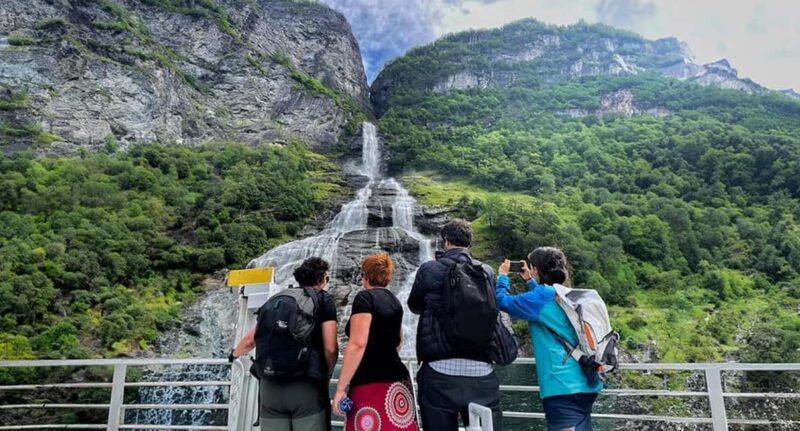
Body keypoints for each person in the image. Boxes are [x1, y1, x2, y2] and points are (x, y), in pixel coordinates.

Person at [408, 219, 504, 430]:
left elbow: (414, 305)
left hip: (439, 371)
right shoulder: (486, 271)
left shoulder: (429, 269)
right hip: (482, 372)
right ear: (469, 242)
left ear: (445, 241)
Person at [495, 247, 603, 431]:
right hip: (586, 382)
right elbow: (544, 303)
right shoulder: (566, 294)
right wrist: (529, 280)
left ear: (537, 269)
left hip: (561, 386)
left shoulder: (540, 298)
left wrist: (502, 277)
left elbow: (502, 301)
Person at [230, 257, 339, 431]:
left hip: (269, 387)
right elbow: (330, 347)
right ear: (321, 279)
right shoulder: (323, 300)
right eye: (327, 278)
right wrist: (326, 373)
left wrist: (233, 356)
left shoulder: (277, 299)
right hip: (305, 386)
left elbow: (251, 339)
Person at [333, 254, 419, 431]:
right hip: (397, 384)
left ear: (365, 275)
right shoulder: (395, 301)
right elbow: (398, 342)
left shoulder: (364, 298)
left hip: (369, 381)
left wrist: (341, 388)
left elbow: (358, 344)